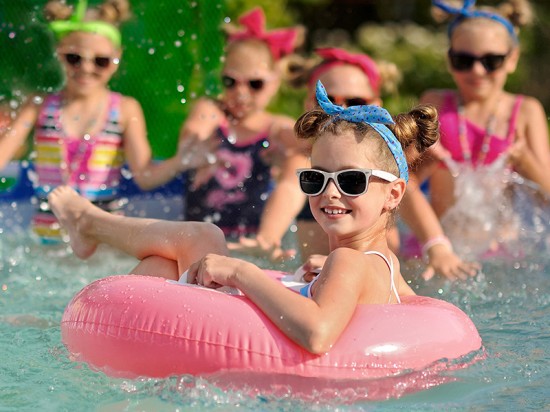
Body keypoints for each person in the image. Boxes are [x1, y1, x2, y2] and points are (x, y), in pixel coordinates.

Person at [47, 80, 438, 353]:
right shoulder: (382, 264)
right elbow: (405, 302)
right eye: (315, 178)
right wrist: (330, 281)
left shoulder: (348, 261)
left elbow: (318, 334)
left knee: (202, 239)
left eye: (351, 180)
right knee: (161, 266)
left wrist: (240, 272)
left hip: (240, 354)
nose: (329, 192)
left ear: (394, 193)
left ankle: (90, 224)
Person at [0, 0, 186, 242]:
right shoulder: (38, 106)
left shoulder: (125, 109)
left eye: (101, 61)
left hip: (104, 241)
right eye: (74, 58)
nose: (86, 68)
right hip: (48, 242)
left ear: (117, 58)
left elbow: (145, 176)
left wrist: (184, 159)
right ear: (59, 53)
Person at [399, 0, 550, 280]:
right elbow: (401, 183)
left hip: (502, 252)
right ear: (449, 59)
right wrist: (427, 163)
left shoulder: (526, 112)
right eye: (463, 61)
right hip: (434, 244)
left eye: (491, 61)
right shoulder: (434, 105)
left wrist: (525, 160)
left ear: (513, 59)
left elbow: (546, 195)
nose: (477, 71)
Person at [174, 7, 308, 260]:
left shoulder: (275, 127)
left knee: (299, 164)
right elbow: (196, 127)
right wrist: (198, 144)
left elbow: (302, 142)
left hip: (246, 243)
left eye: (255, 84)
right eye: (230, 82)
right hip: (198, 239)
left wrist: (293, 149)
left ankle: (267, 239)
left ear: (275, 82)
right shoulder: (213, 111)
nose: (241, 93)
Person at [287, 47, 401, 265]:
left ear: (375, 105)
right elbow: (287, 189)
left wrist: (435, 244)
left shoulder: (389, 163)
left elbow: (411, 192)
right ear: (308, 105)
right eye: (328, 101)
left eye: (352, 179)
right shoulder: (294, 156)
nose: (342, 110)